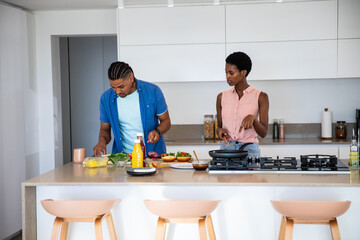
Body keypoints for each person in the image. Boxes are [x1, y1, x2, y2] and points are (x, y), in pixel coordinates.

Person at [93, 61, 171, 157]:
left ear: (131, 78)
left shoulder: (153, 91)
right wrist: (101, 142)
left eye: (121, 87)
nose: (117, 91)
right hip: (123, 159)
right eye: (113, 87)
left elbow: (166, 121)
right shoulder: (106, 98)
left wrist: (157, 131)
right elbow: (105, 129)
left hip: (152, 157)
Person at [216, 52, 269, 158]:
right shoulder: (221, 97)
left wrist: (253, 119)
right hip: (226, 149)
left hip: (249, 151)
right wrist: (220, 131)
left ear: (243, 72)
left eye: (231, 73)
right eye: (226, 73)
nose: (227, 76)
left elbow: (263, 133)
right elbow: (219, 127)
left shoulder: (261, 97)